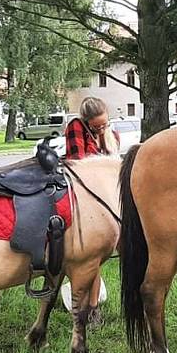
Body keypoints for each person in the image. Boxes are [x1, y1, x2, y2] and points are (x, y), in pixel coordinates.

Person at [62, 96, 120, 326]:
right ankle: (91, 308)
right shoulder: (75, 127)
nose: (102, 129)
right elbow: (79, 163)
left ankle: (93, 305)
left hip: (106, 196)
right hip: (83, 193)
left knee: (96, 257)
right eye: (97, 126)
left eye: (104, 124)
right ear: (87, 122)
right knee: (90, 255)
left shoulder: (111, 135)